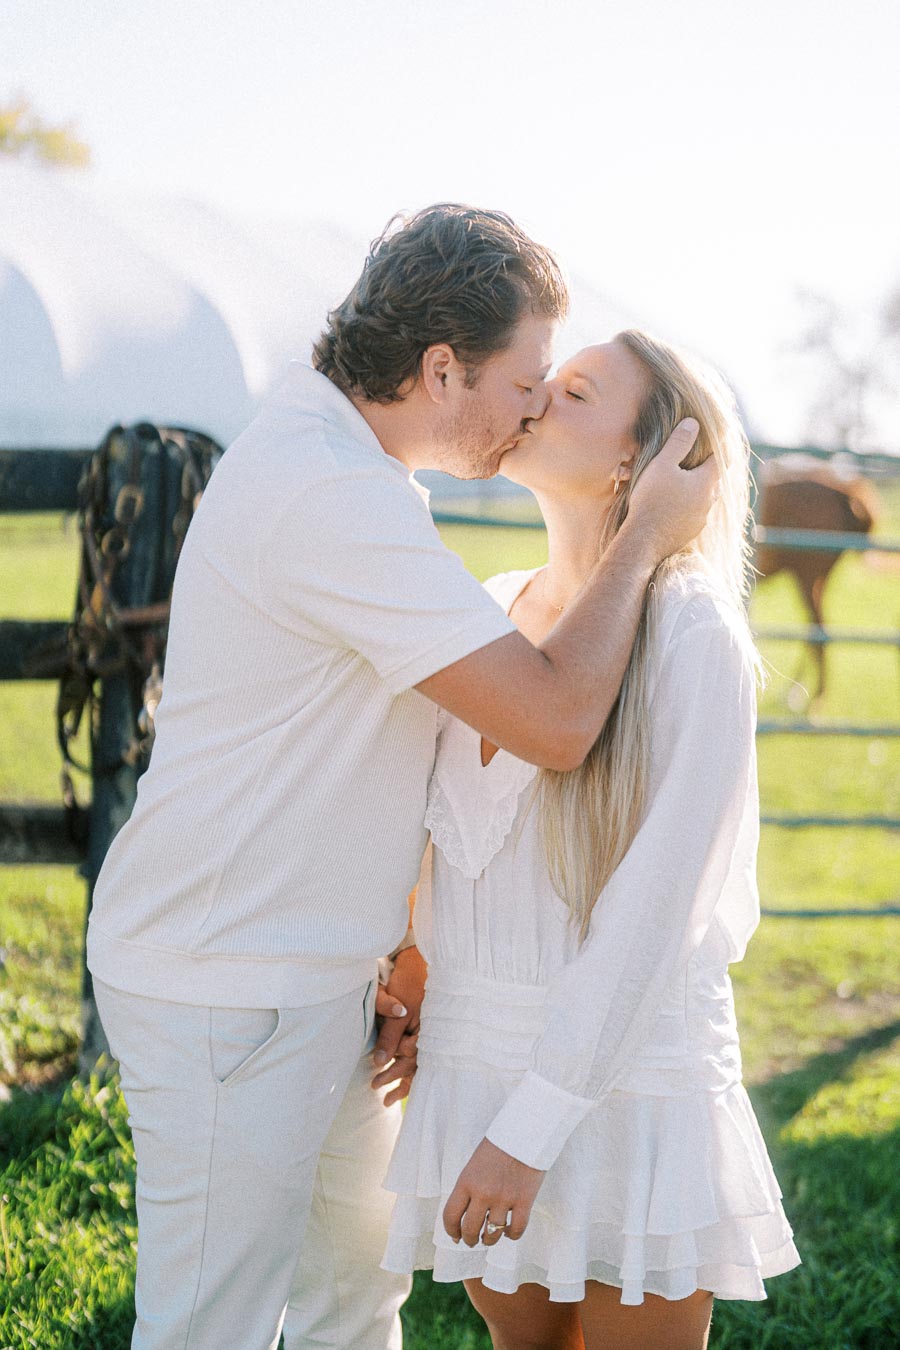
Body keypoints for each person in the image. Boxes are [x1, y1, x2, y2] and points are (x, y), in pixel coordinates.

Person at [86, 205, 716, 1350]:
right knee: (206, 1328)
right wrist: (645, 536)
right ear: (442, 369)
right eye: (528, 379)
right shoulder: (334, 495)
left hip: (316, 981)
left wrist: (406, 951)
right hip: (231, 982)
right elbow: (558, 721)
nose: (532, 406)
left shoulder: (343, 468)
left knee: (348, 1308)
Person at [381, 330, 801, 1350]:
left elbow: (659, 912)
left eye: (574, 392)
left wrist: (531, 1133)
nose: (535, 396)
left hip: (624, 1087)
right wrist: (417, 969)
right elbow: (444, 841)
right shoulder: (487, 607)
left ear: (644, 460)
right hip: (477, 1060)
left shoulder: (692, 637)